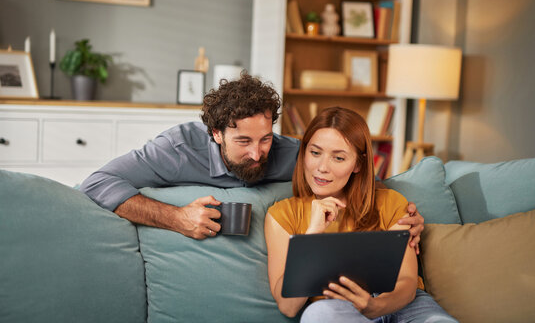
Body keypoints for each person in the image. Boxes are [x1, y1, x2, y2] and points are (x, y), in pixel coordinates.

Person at [79, 72, 424, 246]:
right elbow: (96, 183)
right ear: (216, 134)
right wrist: (176, 217)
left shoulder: (294, 153)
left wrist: (406, 217)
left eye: (264, 139)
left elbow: (354, 179)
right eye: (243, 141)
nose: (257, 153)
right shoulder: (177, 149)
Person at [265, 107, 457, 322]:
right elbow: (288, 306)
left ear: (357, 164)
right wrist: (313, 234)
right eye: (315, 152)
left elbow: (407, 282)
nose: (321, 167)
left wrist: (376, 306)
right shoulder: (281, 215)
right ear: (304, 152)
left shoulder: (391, 202)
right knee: (317, 315)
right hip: (338, 310)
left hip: (402, 306)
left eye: (338, 158)